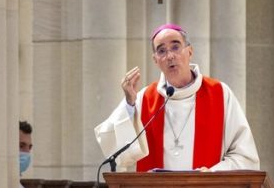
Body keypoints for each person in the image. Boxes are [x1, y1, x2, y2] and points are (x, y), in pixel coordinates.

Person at [95, 24, 259, 172]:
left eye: (175, 47)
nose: (170, 56)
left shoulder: (220, 94)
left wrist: (211, 174)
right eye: (161, 51)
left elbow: (245, 157)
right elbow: (117, 154)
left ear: (189, 51)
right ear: (155, 60)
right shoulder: (144, 99)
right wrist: (129, 104)